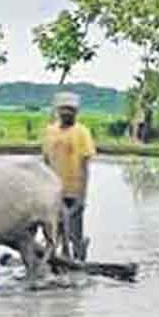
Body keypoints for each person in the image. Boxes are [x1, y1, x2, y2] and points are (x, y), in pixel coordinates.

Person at [41, 91, 97, 260]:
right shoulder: (50, 132)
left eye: (70, 110)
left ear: (76, 112)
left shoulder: (82, 132)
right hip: (53, 191)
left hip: (73, 189)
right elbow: (45, 162)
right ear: (58, 111)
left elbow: (85, 165)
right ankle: (55, 257)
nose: (66, 113)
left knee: (74, 231)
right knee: (53, 229)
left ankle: (79, 257)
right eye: (63, 109)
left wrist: (82, 195)